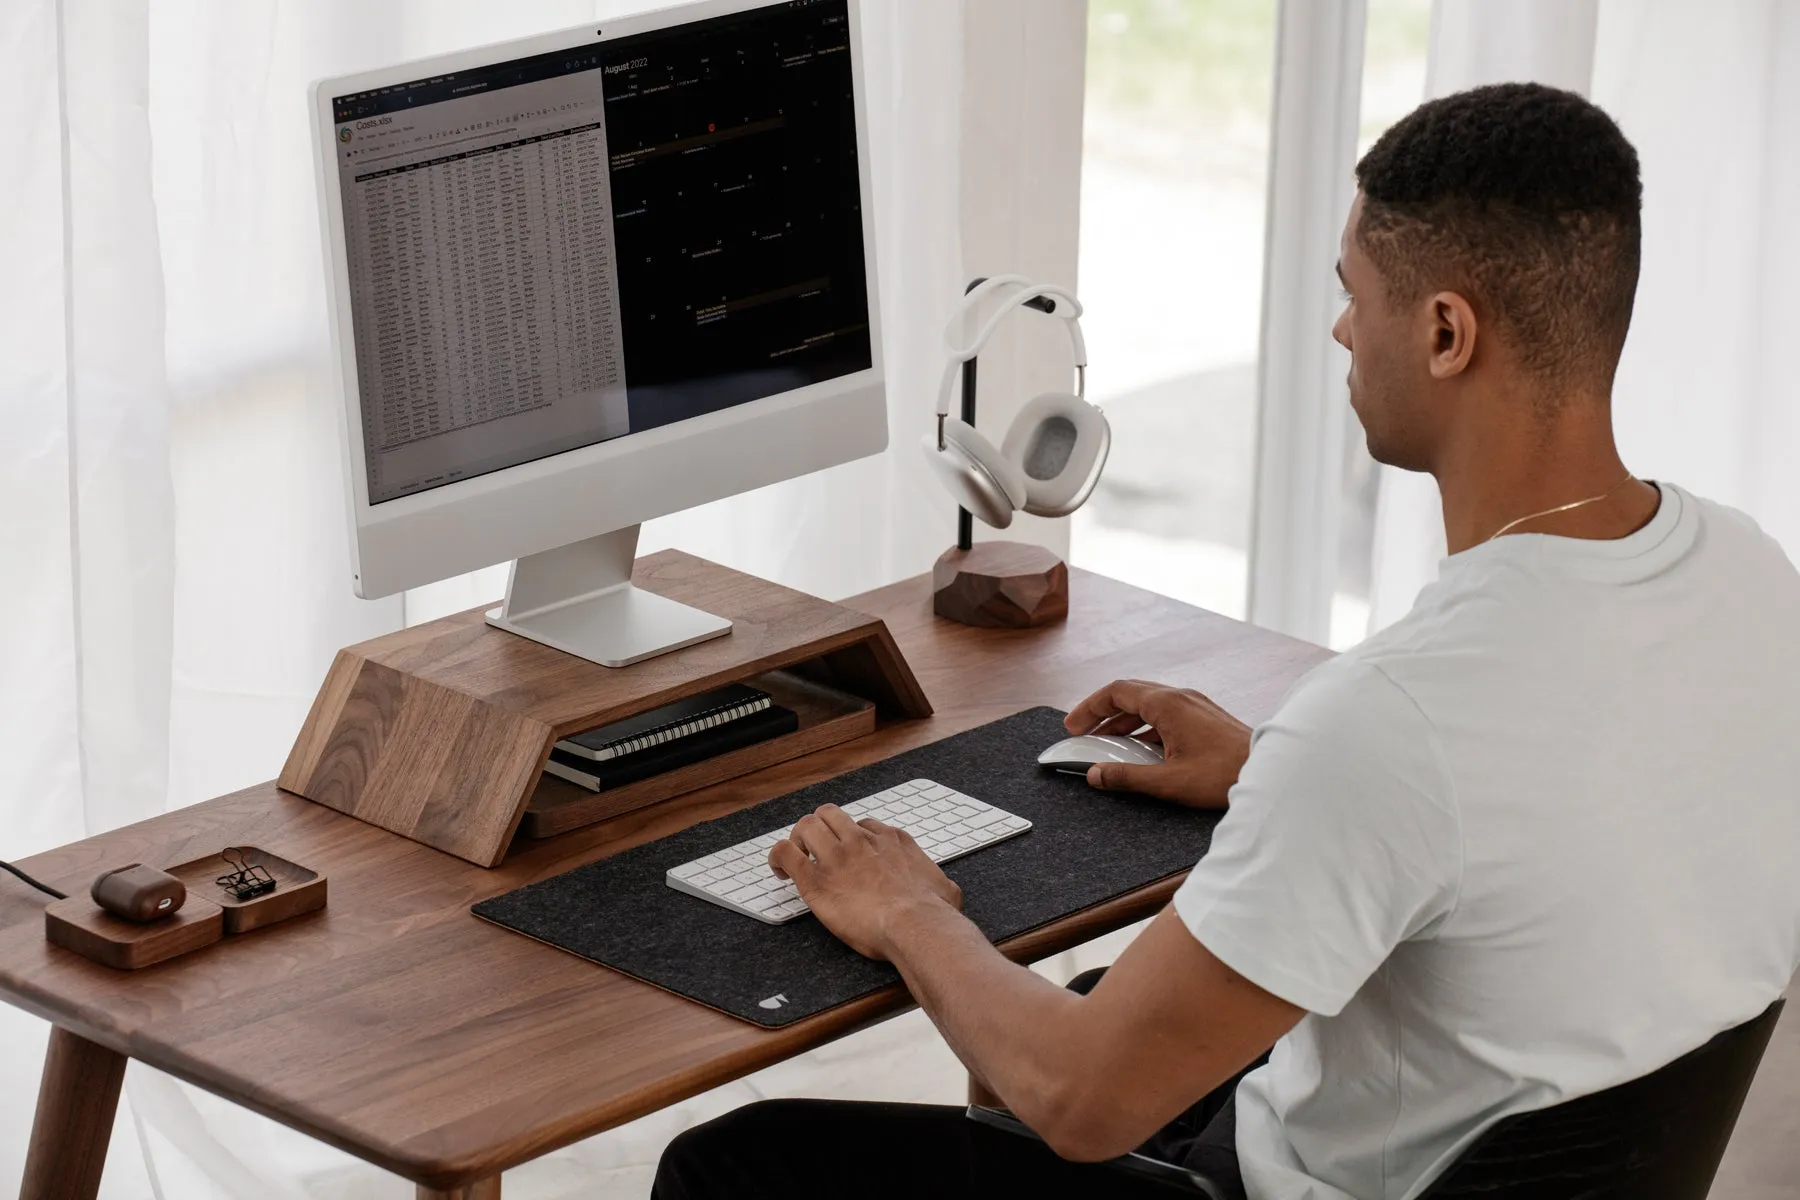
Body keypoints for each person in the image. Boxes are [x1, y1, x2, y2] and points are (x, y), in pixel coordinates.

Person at [653, 82, 1800, 1200]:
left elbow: (1082, 1099)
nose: (1343, 328)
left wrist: (904, 909)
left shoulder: (1391, 720)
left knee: (732, 1162)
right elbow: (1574, 798)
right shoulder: (1751, 573)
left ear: (1448, 332)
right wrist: (1274, 776)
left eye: (1357, 294)